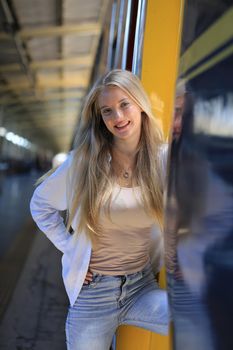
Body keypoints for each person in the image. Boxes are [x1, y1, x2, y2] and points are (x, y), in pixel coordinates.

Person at [30, 69, 169, 350]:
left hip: (141, 287)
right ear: (100, 118)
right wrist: (69, 246)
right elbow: (40, 204)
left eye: (124, 104)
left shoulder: (162, 159)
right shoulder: (84, 164)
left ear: (140, 104)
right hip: (94, 296)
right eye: (107, 111)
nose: (117, 117)